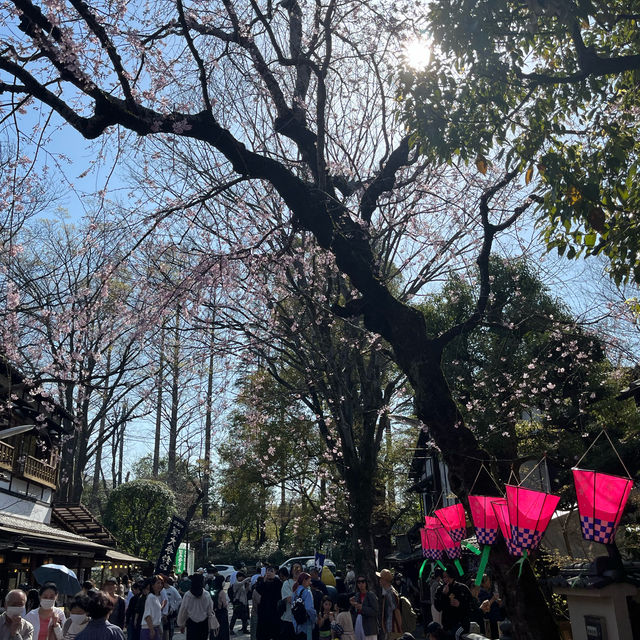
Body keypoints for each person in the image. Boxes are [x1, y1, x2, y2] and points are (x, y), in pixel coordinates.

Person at [433, 567, 473, 636]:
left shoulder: (462, 588)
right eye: (444, 577)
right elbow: (438, 607)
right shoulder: (440, 589)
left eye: (448, 576)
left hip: (461, 623)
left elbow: (471, 606)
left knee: (456, 635)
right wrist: (444, 595)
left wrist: (460, 604)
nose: (446, 579)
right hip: (447, 624)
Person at [176, 575, 216, 640]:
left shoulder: (188, 595)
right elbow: (210, 610)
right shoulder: (206, 595)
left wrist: (181, 624)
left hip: (191, 623)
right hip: (204, 624)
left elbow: (183, 610)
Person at [255, 567, 281, 640]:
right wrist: (264, 580)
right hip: (263, 612)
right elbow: (258, 590)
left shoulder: (278, 582)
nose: (269, 573)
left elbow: (279, 594)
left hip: (274, 612)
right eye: (268, 571)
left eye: (271, 571)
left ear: (275, 573)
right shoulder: (262, 582)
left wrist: (274, 578)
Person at [349, 576, 377, 640]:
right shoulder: (357, 595)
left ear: (366, 583)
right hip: (358, 622)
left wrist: (362, 608)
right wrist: (352, 604)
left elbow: (375, 611)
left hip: (369, 625)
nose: (361, 584)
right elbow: (353, 611)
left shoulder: (371, 595)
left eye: (363, 581)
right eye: (359, 582)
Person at [378, 569, 402, 640]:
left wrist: (399, 628)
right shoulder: (389, 592)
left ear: (385, 580)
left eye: (380, 578)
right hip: (390, 628)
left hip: (393, 629)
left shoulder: (390, 593)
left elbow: (396, 611)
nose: (379, 580)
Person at [279, 564, 301, 640]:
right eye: (295, 568)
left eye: (299, 568)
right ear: (291, 571)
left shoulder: (305, 584)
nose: (297, 570)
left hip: (302, 621)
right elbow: (289, 599)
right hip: (289, 620)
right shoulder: (287, 583)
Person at [290, 573, 315, 640]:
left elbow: (292, 608)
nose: (310, 583)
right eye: (309, 581)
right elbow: (309, 608)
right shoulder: (307, 592)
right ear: (304, 581)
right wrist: (314, 619)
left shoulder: (294, 592)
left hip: (296, 625)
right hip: (306, 625)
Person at [229, 571, 250, 636]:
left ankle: (244, 629)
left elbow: (245, 592)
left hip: (243, 603)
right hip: (237, 603)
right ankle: (231, 629)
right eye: (242, 577)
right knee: (234, 617)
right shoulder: (236, 583)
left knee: (244, 617)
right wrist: (248, 578)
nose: (243, 578)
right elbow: (241, 583)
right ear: (239, 577)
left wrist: (247, 586)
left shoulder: (242, 584)